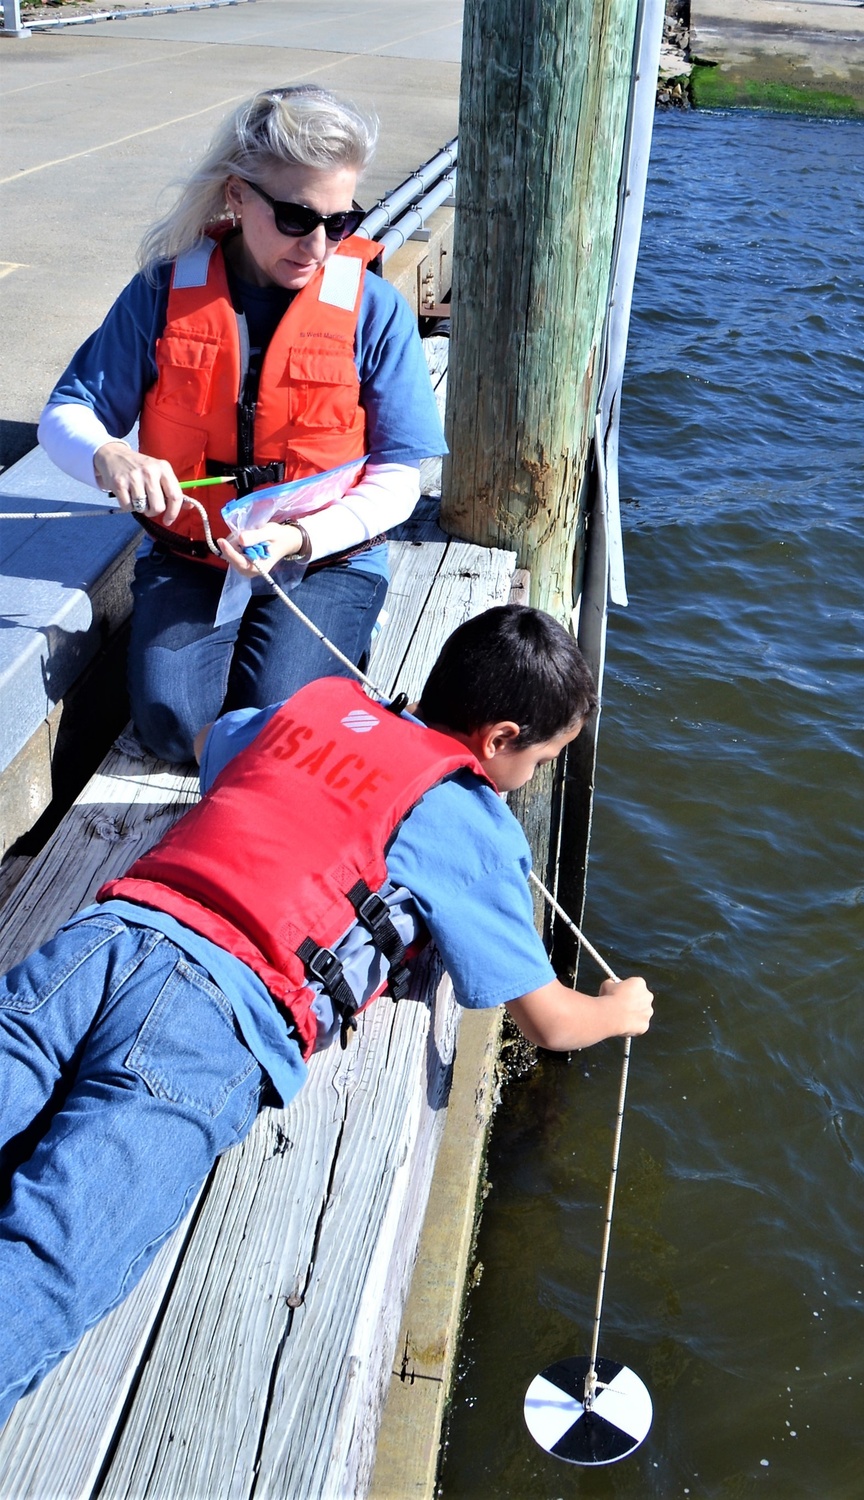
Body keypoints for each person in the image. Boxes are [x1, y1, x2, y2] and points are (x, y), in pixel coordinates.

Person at [0, 604, 654, 1424]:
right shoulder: (472, 821)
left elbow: (215, 746)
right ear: (498, 739)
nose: (537, 776)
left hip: (104, 941)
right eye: (545, 758)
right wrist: (619, 1010)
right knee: (49, 1260)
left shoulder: (316, 704)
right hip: (212, 1021)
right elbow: (548, 1022)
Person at [38, 84, 446, 764]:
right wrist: (108, 457)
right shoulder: (161, 293)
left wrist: (300, 536)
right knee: (172, 727)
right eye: (295, 216)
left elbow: (402, 475)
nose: (318, 244)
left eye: (340, 221)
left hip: (326, 557)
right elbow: (67, 414)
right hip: (193, 556)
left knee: (281, 726)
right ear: (237, 196)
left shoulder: (373, 310)